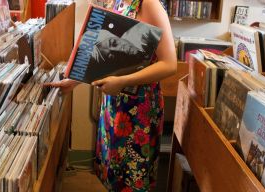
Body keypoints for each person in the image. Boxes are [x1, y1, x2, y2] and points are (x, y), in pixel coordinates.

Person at [47, 0, 176, 191]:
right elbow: (107, 57)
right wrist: (74, 81)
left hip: (139, 111)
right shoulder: (116, 1)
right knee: (114, 176)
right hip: (114, 106)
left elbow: (169, 64)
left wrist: (123, 82)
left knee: (133, 178)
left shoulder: (149, 4)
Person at [84, 22, 161, 83]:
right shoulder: (116, 73)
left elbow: (170, 65)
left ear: (116, 36)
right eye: (111, 56)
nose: (119, 50)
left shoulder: (145, 31)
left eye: (115, 43)